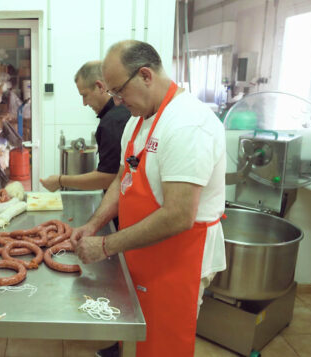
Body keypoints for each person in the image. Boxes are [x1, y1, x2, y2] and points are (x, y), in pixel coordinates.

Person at [70, 40, 226, 357]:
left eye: (119, 91)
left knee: (163, 346)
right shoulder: (137, 120)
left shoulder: (187, 123)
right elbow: (121, 180)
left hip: (179, 258)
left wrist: (105, 246)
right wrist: (93, 226)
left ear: (145, 75)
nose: (115, 100)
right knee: (138, 342)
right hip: (143, 251)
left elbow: (179, 215)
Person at [40, 60, 131, 194]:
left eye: (85, 95)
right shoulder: (118, 113)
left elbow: (108, 177)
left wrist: (60, 181)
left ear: (100, 87)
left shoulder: (113, 121)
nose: (84, 103)